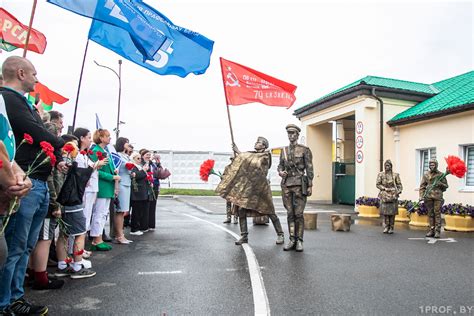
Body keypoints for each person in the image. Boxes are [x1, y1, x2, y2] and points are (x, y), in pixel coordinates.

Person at [0, 56, 66, 315]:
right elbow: (34, 131)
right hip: (22, 179)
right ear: (20, 73)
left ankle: (16, 297)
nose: (37, 79)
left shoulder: (22, 103)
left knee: (24, 246)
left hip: (35, 181)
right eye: (34, 74)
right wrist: (60, 144)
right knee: (15, 247)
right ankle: (6, 302)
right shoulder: (9, 99)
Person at [216, 137, 285, 246]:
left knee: (270, 211)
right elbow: (246, 162)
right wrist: (238, 156)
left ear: (264, 146)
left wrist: (239, 152)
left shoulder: (266, 156)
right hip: (250, 188)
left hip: (261, 189)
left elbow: (254, 164)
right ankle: (244, 236)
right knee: (241, 210)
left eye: (259, 142)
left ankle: (280, 234)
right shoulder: (251, 154)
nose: (256, 143)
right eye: (256, 142)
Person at [278, 124, 314, 252]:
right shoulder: (284, 151)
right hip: (287, 184)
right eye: (289, 133)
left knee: (298, 214)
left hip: (299, 184)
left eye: (293, 133)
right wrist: (281, 172)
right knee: (290, 213)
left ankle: (299, 240)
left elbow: (309, 168)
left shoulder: (304, 150)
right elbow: (280, 166)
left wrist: (310, 185)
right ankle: (292, 239)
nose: (291, 136)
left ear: (297, 135)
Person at [90, 129, 119, 251]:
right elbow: (95, 170)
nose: (110, 138)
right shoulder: (95, 151)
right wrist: (112, 176)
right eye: (107, 136)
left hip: (107, 186)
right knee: (99, 213)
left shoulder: (104, 151)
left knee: (103, 214)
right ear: (101, 138)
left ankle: (99, 237)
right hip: (102, 185)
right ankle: (96, 239)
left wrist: (114, 172)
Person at [419, 158, 448, 239]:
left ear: (436, 165)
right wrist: (421, 196)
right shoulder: (426, 175)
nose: (431, 166)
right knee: (430, 213)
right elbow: (422, 186)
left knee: (437, 213)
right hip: (428, 197)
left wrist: (440, 184)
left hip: (438, 196)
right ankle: (431, 229)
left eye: (433, 164)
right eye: (430, 164)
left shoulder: (441, 175)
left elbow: (446, 186)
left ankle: (437, 230)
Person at [114, 137, 133, 243]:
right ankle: (119, 235)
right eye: (126, 143)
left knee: (123, 211)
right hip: (121, 183)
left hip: (127, 183)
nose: (128, 144)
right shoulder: (118, 155)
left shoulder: (126, 155)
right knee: (120, 211)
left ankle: (121, 234)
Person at [376, 160, 403, 234]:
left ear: (391, 166)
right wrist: (383, 188)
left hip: (393, 195)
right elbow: (378, 184)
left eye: (388, 165)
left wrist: (398, 191)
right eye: (385, 165)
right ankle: (386, 226)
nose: (386, 167)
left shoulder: (395, 175)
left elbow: (399, 185)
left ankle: (391, 227)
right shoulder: (381, 174)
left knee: (392, 212)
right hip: (385, 195)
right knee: (385, 212)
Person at [129, 152, 150, 235]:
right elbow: (134, 175)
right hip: (136, 192)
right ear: (133, 159)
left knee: (140, 211)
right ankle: (134, 229)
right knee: (136, 211)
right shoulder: (133, 167)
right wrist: (143, 171)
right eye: (138, 158)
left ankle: (137, 227)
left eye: (140, 158)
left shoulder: (139, 167)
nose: (139, 160)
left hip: (141, 191)